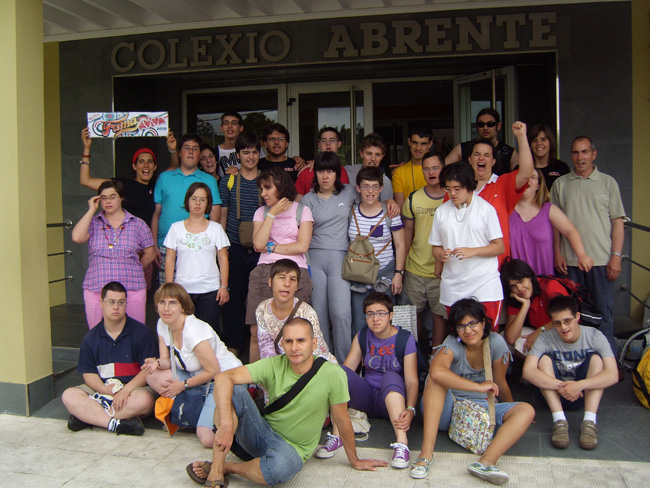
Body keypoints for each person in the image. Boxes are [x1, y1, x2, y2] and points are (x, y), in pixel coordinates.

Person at [187, 317, 388, 487]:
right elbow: (223, 378)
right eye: (289, 341)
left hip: (292, 448)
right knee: (234, 390)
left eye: (301, 341)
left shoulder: (333, 374)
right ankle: (216, 470)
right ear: (282, 344)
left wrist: (354, 460)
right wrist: (227, 424)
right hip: (260, 433)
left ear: (314, 342)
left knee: (280, 470)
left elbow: (342, 419)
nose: (294, 348)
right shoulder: (274, 364)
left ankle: (228, 467)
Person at [411, 298, 535, 484]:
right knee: (435, 380)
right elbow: (436, 371)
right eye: (461, 326)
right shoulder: (453, 343)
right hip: (447, 409)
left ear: (483, 322)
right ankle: (425, 455)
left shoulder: (495, 342)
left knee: (526, 410)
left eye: (473, 323)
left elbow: (500, 381)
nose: (468, 330)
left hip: (480, 409)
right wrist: (478, 386)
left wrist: (513, 411)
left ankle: (486, 462)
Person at [317, 293, 418, 469]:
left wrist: (410, 409)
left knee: (392, 375)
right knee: (339, 373)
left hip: (393, 401)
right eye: (370, 314)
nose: (375, 319)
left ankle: (402, 444)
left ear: (391, 315)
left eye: (380, 313)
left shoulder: (405, 338)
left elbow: (411, 381)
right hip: (368, 399)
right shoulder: (363, 335)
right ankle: (337, 435)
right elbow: (347, 370)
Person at [550, 136, 626, 355]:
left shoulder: (608, 183)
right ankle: (578, 360)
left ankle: (608, 362)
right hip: (569, 263)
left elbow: (617, 222)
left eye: (584, 152)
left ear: (594, 154)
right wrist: (557, 252)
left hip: (602, 261)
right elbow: (555, 225)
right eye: (575, 152)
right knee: (572, 316)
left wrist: (616, 256)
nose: (580, 157)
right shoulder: (561, 184)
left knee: (604, 313)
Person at [142, 283, 241, 447]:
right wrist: (157, 362)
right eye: (162, 302)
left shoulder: (194, 330)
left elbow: (213, 370)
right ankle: (197, 410)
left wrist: (182, 385)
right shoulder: (162, 324)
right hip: (198, 378)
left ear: (183, 307)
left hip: (222, 379)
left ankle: (229, 413)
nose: (166, 308)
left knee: (208, 439)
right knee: (152, 374)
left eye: (173, 302)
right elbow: (167, 360)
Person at [62, 281, 157, 436]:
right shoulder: (91, 338)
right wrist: (103, 390)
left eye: (121, 302)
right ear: (101, 303)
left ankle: (88, 417)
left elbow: (147, 372)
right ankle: (113, 423)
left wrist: (125, 391)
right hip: (102, 389)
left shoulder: (142, 333)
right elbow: (89, 373)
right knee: (69, 395)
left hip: (133, 390)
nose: (116, 307)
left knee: (145, 400)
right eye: (111, 302)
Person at [522, 295, 618, 450]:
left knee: (596, 360)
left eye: (568, 321)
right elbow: (528, 371)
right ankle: (559, 421)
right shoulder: (546, 337)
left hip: (582, 394)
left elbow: (613, 374)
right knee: (544, 360)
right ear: (552, 323)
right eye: (557, 323)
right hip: (553, 394)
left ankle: (590, 422)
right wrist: (563, 386)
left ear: (577, 317)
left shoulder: (594, 335)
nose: (564, 327)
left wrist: (579, 385)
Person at [248, 168, 314, 362]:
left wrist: (273, 246)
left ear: (281, 186)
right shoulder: (261, 212)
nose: (263, 194)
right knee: (256, 331)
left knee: (295, 331)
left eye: (268, 188)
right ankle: (255, 386)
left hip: (295, 272)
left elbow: (302, 246)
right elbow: (258, 245)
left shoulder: (302, 210)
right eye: (261, 189)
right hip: (264, 273)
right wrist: (272, 214)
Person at [429, 162, 504, 328]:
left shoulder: (486, 210)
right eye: (448, 189)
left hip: (484, 286)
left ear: (469, 186)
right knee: (459, 338)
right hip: (453, 287)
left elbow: (499, 247)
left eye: (457, 188)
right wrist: (440, 255)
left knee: (487, 338)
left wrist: (473, 251)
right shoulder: (441, 211)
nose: (452, 193)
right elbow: (435, 247)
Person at [72, 180, 155, 328]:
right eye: (103, 198)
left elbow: (150, 252)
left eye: (113, 196)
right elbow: (77, 237)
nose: (108, 201)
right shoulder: (93, 223)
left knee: (135, 333)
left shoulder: (138, 223)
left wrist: (135, 267)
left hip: (132, 287)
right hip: (97, 288)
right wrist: (91, 210)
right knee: (97, 334)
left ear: (121, 198)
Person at [300, 152, 357, 361]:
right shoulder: (308, 199)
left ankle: (345, 365)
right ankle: (324, 362)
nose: (325, 176)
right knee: (319, 315)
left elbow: (371, 203)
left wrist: (390, 203)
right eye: (321, 171)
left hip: (341, 258)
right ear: (315, 173)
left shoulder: (349, 192)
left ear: (337, 173)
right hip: (314, 258)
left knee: (341, 314)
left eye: (330, 171)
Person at [151, 133, 222, 284]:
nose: (190, 152)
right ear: (179, 153)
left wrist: (213, 247)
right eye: (187, 148)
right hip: (166, 245)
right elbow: (156, 214)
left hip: (199, 246)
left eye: (195, 149)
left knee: (196, 294)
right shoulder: (164, 177)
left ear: (199, 154)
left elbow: (215, 218)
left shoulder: (209, 180)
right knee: (168, 296)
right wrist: (154, 245)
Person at [163, 183, 230, 333]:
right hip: (182, 291)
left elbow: (223, 259)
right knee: (183, 333)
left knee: (209, 334)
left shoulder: (216, 228)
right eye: (194, 199)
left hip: (210, 291)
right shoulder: (175, 228)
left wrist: (223, 286)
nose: (198, 203)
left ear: (208, 203)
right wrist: (169, 288)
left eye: (202, 199)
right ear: (187, 201)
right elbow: (169, 259)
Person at [79, 127, 178, 227]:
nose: (146, 165)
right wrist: (86, 148)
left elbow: (174, 167)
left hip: (150, 239)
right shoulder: (123, 185)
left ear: (155, 166)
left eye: (150, 161)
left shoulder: (157, 185)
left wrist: (172, 149)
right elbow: (85, 180)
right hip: (127, 239)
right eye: (141, 161)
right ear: (134, 166)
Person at [218, 133, 263, 356]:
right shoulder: (228, 179)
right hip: (234, 247)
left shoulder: (267, 180)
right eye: (246, 152)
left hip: (260, 250)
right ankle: (233, 346)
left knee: (259, 299)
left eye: (255, 152)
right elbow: (223, 215)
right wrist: (221, 248)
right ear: (238, 155)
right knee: (233, 300)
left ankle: (259, 345)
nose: (251, 156)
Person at [349, 167, 406, 335]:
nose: (370, 191)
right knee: (360, 323)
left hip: (385, 275)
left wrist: (398, 274)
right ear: (358, 188)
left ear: (381, 188)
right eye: (365, 186)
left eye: (374, 186)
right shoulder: (350, 212)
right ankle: (362, 361)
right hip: (358, 276)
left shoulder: (391, 213)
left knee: (385, 322)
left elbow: (401, 245)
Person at [510, 167, 593, 276]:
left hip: (544, 280)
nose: (527, 180)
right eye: (523, 176)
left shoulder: (548, 209)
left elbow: (570, 230)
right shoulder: (506, 210)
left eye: (533, 177)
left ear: (538, 186)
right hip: (516, 282)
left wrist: (581, 254)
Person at [402, 150, 447, 350]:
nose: (431, 172)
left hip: (444, 271)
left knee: (440, 316)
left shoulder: (451, 197)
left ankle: (435, 357)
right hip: (415, 268)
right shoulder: (413, 199)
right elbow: (407, 235)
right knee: (414, 315)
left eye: (435, 168)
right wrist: (400, 269)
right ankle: (418, 356)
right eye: (426, 169)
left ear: (443, 169)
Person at [256, 259, 335, 363]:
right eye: (282, 277)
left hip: (315, 365)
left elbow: (317, 352)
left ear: (297, 286)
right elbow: (266, 349)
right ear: (270, 282)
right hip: (284, 364)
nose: (287, 284)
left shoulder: (307, 313)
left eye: (292, 279)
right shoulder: (262, 309)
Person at [500, 259, 570, 355]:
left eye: (521, 281)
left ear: (530, 277)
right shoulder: (517, 298)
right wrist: (525, 306)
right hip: (544, 335)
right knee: (503, 338)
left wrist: (539, 332)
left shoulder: (549, 286)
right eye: (513, 286)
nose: (519, 288)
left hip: (564, 333)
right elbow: (511, 338)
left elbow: (566, 316)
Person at [445, 108, 518, 176]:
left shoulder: (509, 152)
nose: (485, 128)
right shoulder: (462, 148)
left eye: (490, 124)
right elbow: (441, 170)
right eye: (481, 124)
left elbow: (522, 176)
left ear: (498, 126)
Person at [294, 127, 350, 199]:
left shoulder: (342, 171)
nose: (328, 144)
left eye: (332, 140)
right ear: (319, 144)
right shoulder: (306, 171)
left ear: (339, 144)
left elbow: (346, 199)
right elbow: (297, 202)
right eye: (324, 141)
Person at [391, 125, 433, 209]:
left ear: (430, 144)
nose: (418, 148)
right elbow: (401, 208)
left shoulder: (440, 171)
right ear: (409, 142)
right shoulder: (399, 172)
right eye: (415, 142)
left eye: (423, 144)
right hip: (409, 220)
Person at [345, 133, 393, 201]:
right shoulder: (349, 172)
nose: (373, 159)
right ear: (361, 153)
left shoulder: (385, 181)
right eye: (369, 154)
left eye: (378, 155)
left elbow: (386, 206)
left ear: (382, 156)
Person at [527, 123, 570, 189]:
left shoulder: (561, 168)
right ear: (530, 145)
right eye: (534, 140)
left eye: (543, 139)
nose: (539, 143)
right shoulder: (522, 169)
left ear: (550, 142)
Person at [215, 111, 245, 178]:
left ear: (241, 128)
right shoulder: (215, 153)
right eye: (226, 123)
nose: (230, 126)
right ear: (221, 128)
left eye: (234, 123)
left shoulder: (250, 148)